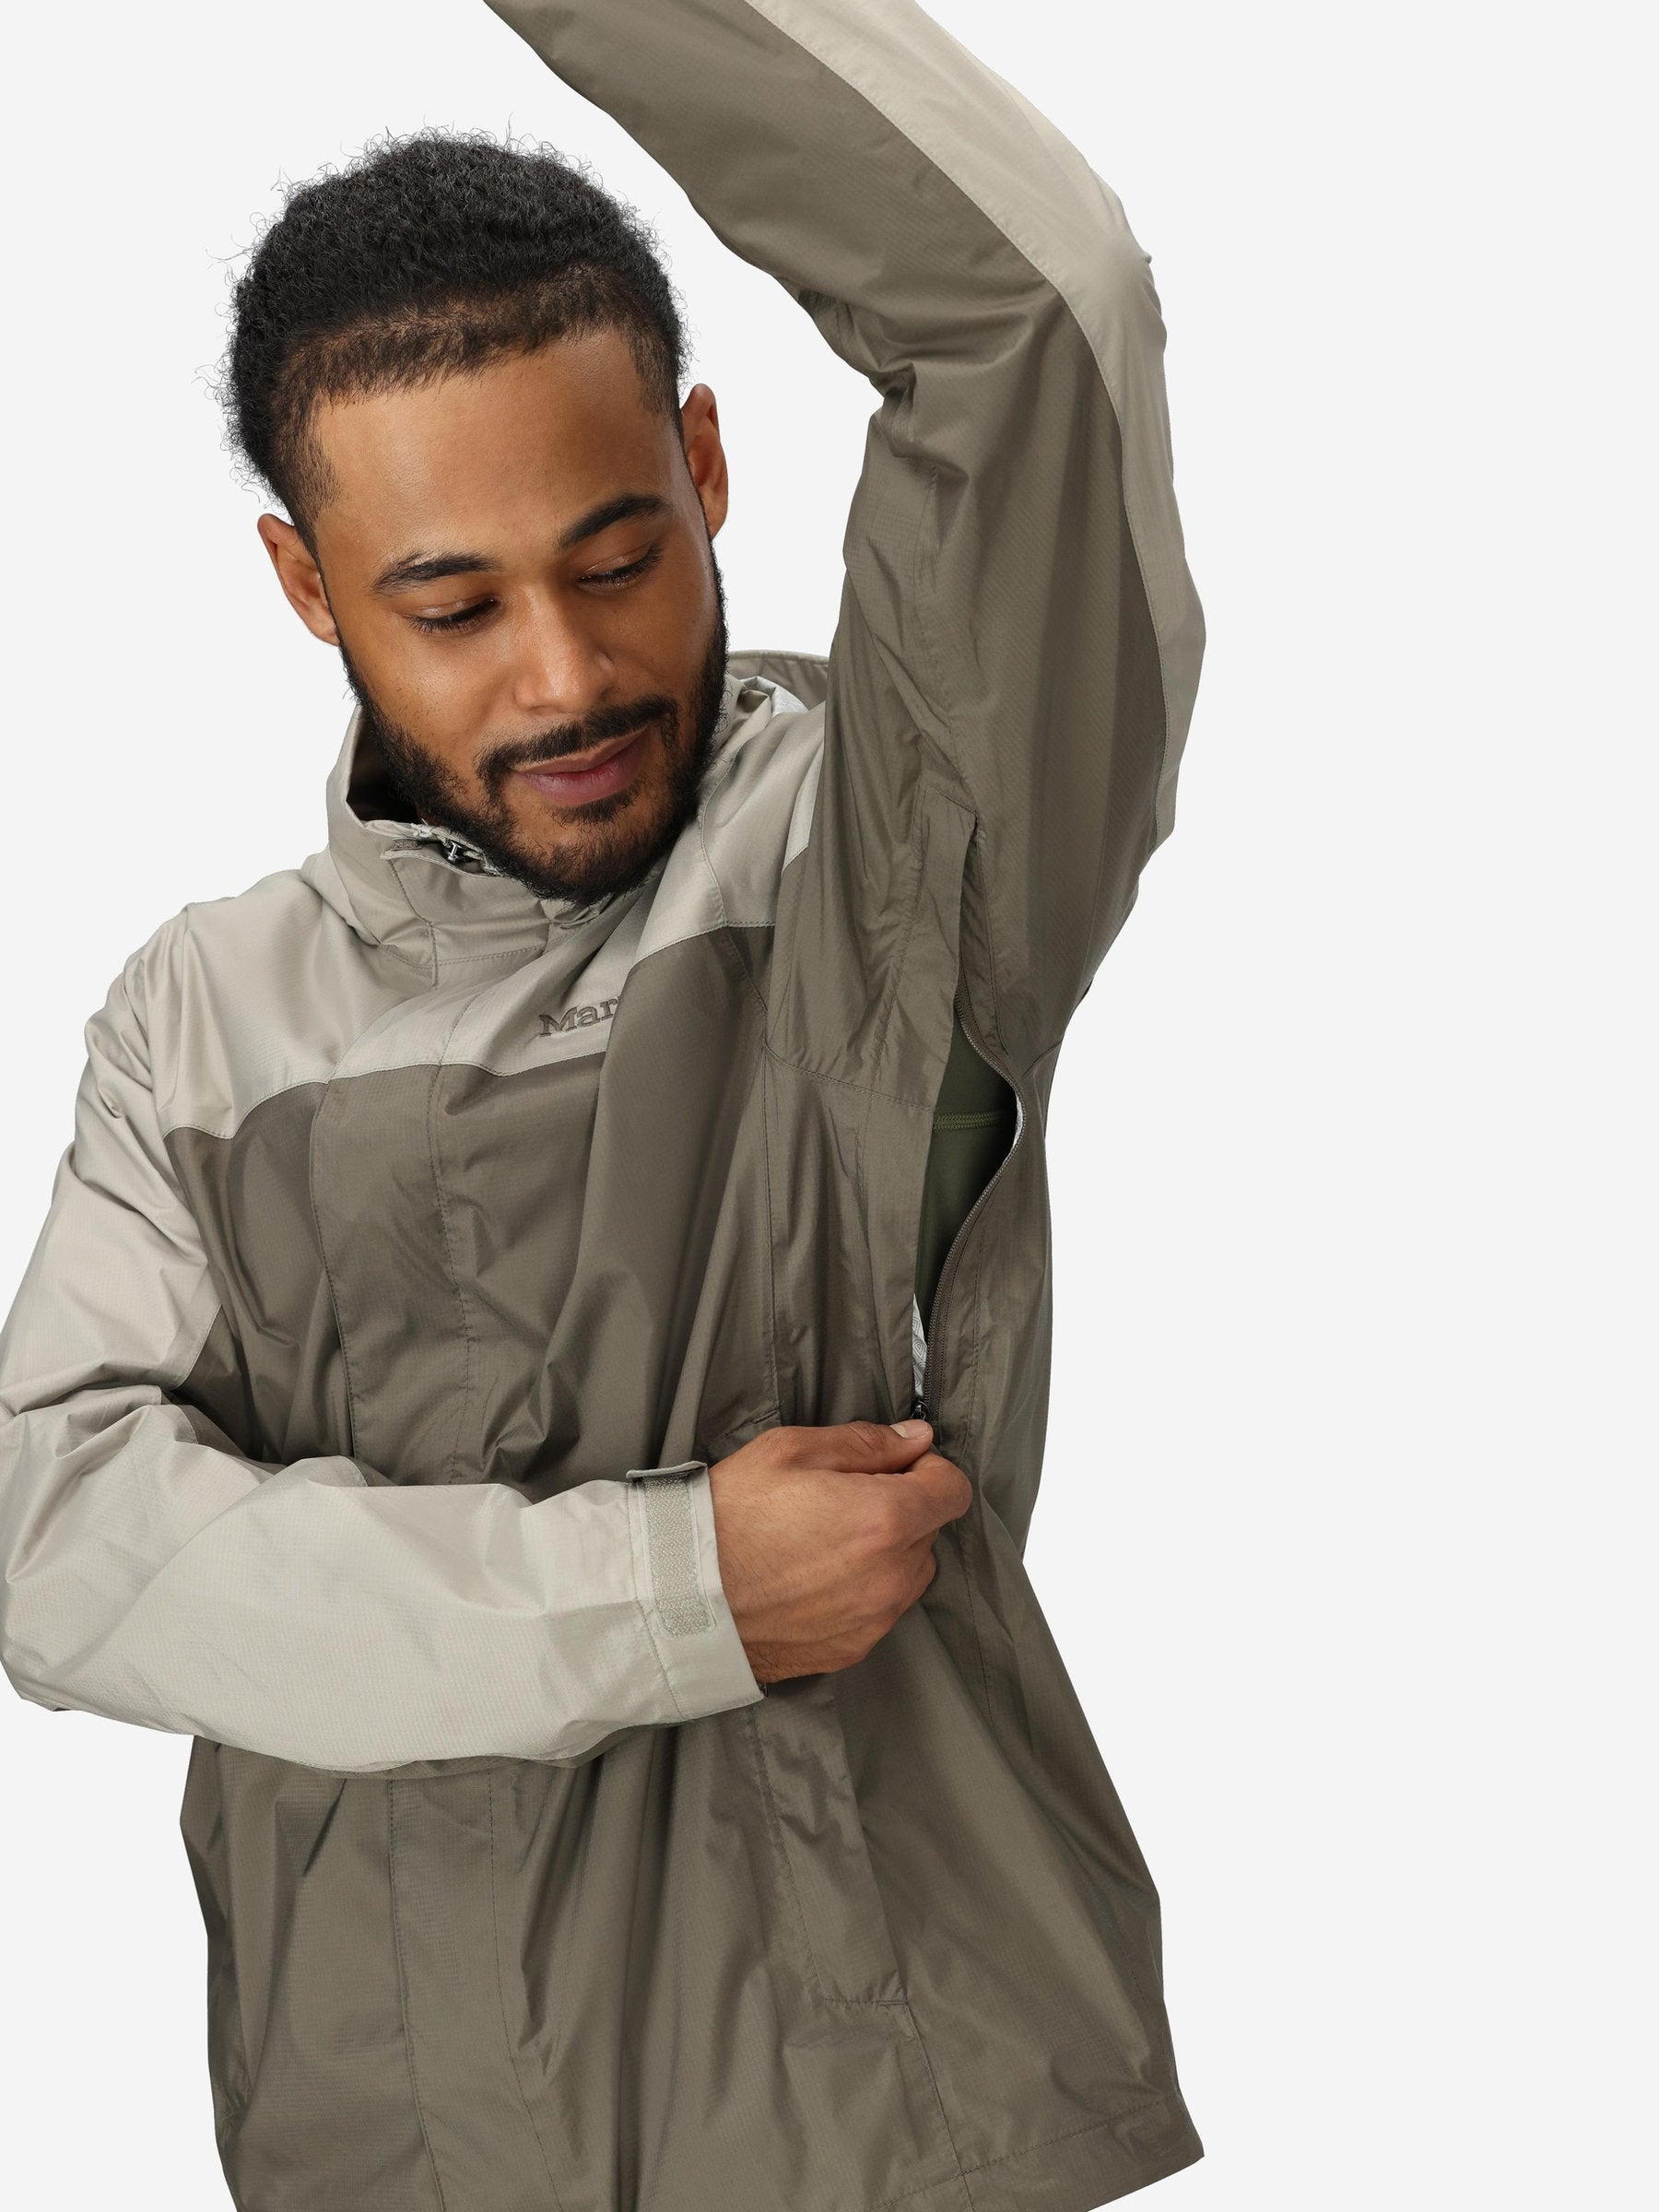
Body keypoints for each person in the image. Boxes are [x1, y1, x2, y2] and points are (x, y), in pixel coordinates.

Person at [0, 0, 1206, 2204]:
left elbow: (1043, 316)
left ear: (708, 466)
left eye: (620, 556)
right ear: (306, 586)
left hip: (888, 2131)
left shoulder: (890, 863)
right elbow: (53, 1540)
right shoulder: (201, 1016)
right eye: (452, 606)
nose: (564, 675)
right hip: (388, 2155)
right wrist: (673, 1588)